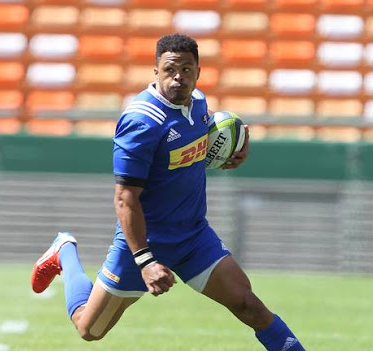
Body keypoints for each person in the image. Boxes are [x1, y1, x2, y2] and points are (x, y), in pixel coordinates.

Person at [31, 33, 305, 351]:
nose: (179, 78)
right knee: (89, 329)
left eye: (187, 70)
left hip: (192, 236)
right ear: (156, 72)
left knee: (249, 305)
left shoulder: (199, 103)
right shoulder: (140, 122)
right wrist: (146, 261)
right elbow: (125, 197)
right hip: (143, 244)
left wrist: (235, 146)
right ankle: (65, 250)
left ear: (198, 72)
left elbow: (196, 144)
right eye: (170, 70)